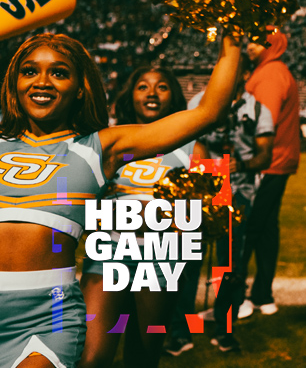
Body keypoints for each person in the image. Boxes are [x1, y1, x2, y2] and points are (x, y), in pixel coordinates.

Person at [0, 32, 240, 368]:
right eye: (29, 71)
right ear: (13, 82)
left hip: (51, 312)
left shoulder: (101, 147)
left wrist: (233, 36)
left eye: (59, 72)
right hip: (106, 258)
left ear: (80, 87)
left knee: (140, 354)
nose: (42, 82)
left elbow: (209, 112)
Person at [79, 67, 200, 368]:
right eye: (142, 87)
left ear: (173, 96)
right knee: (90, 357)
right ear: (130, 95)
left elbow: (201, 212)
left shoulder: (193, 144)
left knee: (142, 357)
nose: (151, 93)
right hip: (109, 251)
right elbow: (81, 199)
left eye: (161, 87)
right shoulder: (110, 141)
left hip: (162, 257)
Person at [166, 55, 275, 354]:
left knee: (229, 266)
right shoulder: (199, 101)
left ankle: (224, 329)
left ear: (245, 73)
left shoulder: (257, 109)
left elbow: (265, 155)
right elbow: (190, 142)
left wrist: (238, 165)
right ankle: (181, 330)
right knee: (187, 263)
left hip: (237, 195)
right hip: (200, 191)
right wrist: (210, 174)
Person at [241, 28, 300, 316]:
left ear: (273, 45)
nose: (250, 46)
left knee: (247, 229)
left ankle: (236, 296)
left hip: (266, 163)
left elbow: (263, 120)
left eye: (257, 41)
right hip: (278, 161)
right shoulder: (273, 70)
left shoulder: (269, 74)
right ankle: (262, 294)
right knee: (265, 229)